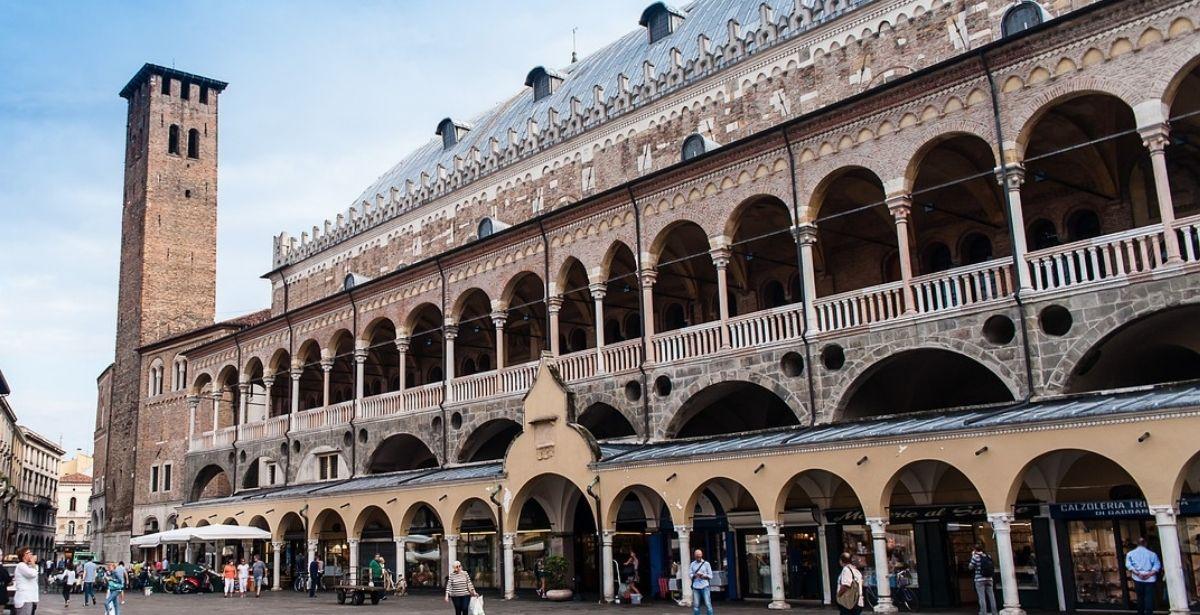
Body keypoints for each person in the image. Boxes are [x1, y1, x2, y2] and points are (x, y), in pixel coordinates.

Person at [1126, 537, 1162, 615]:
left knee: (1140, 597)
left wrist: (1138, 573)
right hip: (1150, 578)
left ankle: (1140, 613)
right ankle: (1149, 613)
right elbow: (1157, 565)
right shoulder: (1152, 554)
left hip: (1137, 578)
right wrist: (1150, 574)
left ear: (1137, 543)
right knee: (1149, 597)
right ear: (1145, 543)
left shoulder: (1130, 554)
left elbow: (1129, 565)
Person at [969, 544, 998, 615]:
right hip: (989, 578)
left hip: (979, 579)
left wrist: (972, 556)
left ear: (975, 550)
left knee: (982, 597)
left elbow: (970, 567)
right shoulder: (988, 556)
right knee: (991, 596)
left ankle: (983, 612)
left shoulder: (975, 557)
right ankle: (994, 612)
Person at [13, 547, 38, 615]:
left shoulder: (27, 566)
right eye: (29, 553)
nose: (31, 554)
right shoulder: (21, 565)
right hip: (24, 599)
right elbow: (32, 574)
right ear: (24, 555)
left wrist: (32, 564)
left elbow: (35, 575)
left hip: (30, 599)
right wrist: (33, 563)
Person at [688, 549, 714, 615]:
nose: (698, 557)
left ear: (702, 555)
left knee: (708, 604)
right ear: (694, 556)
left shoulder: (706, 564)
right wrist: (694, 575)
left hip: (705, 586)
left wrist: (703, 576)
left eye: (699, 556)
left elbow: (711, 576)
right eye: (697, 556)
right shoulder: (692, 564)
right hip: (696, 587)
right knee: (696, 606)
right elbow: (690, 575)